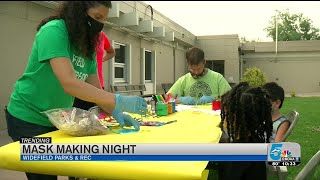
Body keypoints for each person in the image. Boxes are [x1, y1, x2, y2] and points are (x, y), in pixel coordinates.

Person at [5, 2, 146, 180]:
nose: (100, 24)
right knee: (44, 174)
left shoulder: (88, 46)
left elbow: (95, 88)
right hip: (26, 118)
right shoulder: (54, 31)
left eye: (104, 19)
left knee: (71, 166)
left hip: (56, 119)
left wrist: (115, 110)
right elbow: (69, 82)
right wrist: (116, 99)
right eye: (97, 17)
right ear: (79, 11)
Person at [216, 82, 273, 180]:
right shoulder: (256, 141)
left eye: (226, 114)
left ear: (234, 118)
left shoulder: (235, 157)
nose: (223, 118)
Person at [167, 47, 231, 105]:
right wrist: (180, 100)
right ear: (187, 64)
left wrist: (215, 100)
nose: (196, 72)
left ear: (204, 62)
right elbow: (166, 99)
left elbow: (231, 99)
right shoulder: (183, 80)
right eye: (192, 69)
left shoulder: (218, 78)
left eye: (199, 68)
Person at [73, 31, 115, 110]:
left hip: (97, 82)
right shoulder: (77, 33)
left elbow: (111, 52)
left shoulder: (101, 36)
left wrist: (101, 60)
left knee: (94, 114)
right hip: (78, 82)